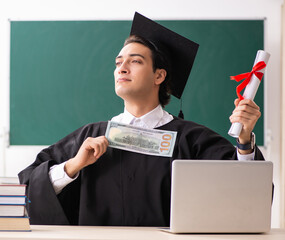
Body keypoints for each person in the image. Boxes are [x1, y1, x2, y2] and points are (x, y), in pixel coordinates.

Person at [18, 12, 264, 226]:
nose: (122, 68)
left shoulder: (191, 140)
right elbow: (27, 190)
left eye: (135, 61)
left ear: (159, 76)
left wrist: (244, 140)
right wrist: (73, 167)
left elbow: (247, 194)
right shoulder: (89, 138)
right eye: (118, 62)